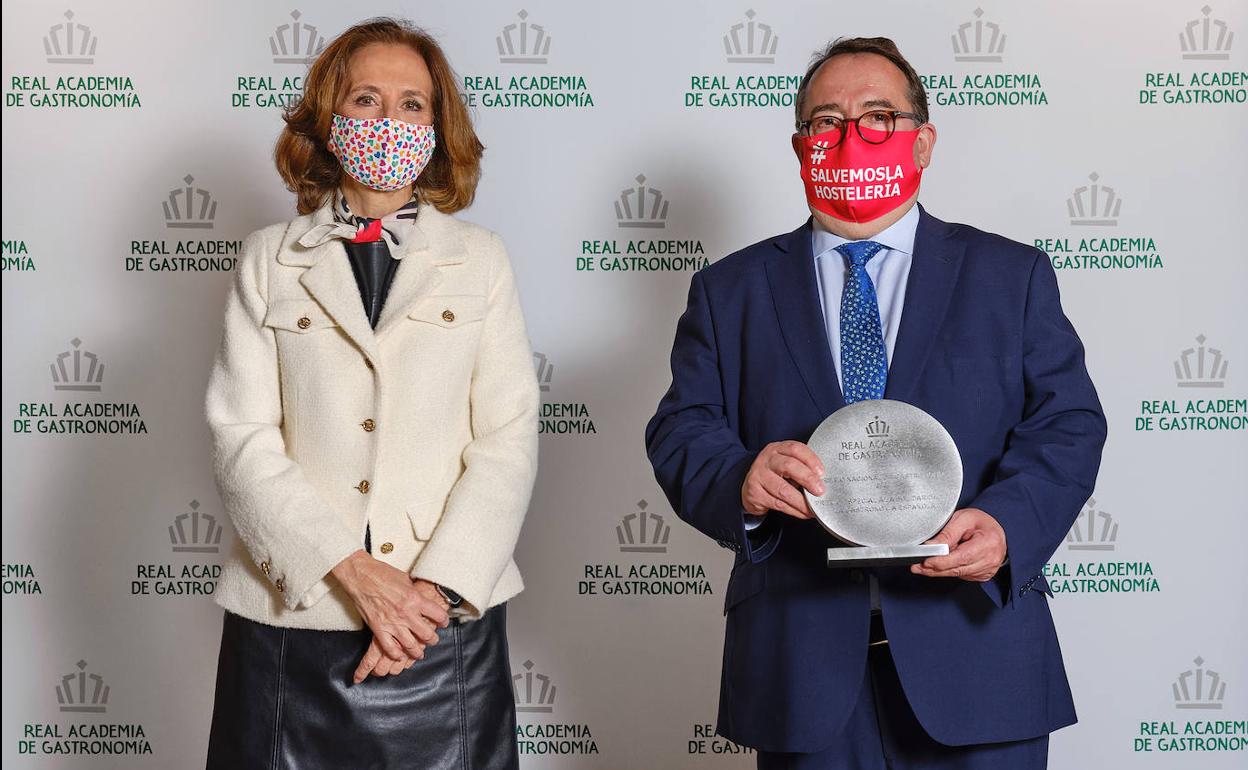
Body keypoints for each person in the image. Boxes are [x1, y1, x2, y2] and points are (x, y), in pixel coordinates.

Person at [645, 37, 1106, 770]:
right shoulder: (730, 290)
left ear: (922, 141)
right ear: (800, 144)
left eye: (878, 116)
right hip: (802, 668)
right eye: (827, 121)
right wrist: (741, 480)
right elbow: (682, 427)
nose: (850, 136)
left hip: (978, 659)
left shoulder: (1008, 275)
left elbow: (1067, 423)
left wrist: (1007, 526)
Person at [204, 18, 538, 769]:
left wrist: (430, 598)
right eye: (366, 99)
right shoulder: (267, 258)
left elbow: (507, 437)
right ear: (330, 117)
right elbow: (240, 435)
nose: (390, 119)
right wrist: (353, 572)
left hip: (439, 625)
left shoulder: (481, 260)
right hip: (293, 618)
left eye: (412, 103)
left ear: (438, 125)